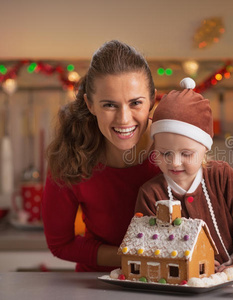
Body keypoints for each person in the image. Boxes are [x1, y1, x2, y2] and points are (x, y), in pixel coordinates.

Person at [42, 40, 160, 272]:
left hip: (169, 283)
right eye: (109, 105)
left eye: (136, 103)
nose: (124, 119)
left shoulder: (175, 146)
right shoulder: (71, 155)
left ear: (152, 100)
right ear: (90, 104)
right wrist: (134, 259)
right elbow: (60, 244)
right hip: (94, 285)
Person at [135, 78, 233, 276]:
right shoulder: (150, 194)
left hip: (231, 272)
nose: (175, 162)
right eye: (165, 153)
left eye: (186, 154)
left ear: (205, 149)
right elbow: (149, 241)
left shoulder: (221, 176)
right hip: (180, 277)